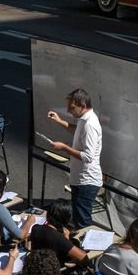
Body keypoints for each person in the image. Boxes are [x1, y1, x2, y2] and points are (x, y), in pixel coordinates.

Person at [45, 88, 102, 229]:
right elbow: (76, 130)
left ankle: (85, 248)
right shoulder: (84, 120)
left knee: (82, 221)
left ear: (83, 105)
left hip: (86, 180)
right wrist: (59, 121)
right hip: (80, 179)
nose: (69, 111)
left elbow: (88, 156)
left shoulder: (90, 125)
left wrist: (64, 147)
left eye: (72, 108)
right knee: (79, 218)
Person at [29, 199, 88, 266]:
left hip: (35, 266)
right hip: (52, 271)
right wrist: (66, 239)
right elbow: (83, 257)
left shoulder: (35, 228)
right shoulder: (59, 238)